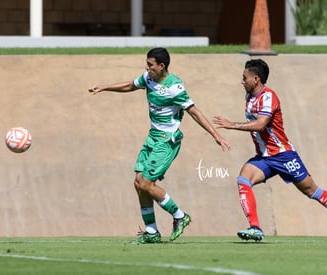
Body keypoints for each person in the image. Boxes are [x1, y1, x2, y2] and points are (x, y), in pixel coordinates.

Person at [88, 47, 231, 244]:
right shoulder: (149, 78)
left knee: (146, 183)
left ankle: (180, 216)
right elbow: (130, 85)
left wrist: (216, 135)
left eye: (150, 65)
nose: (146, 68)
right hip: (152, 137)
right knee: (139, 183)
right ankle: (152, 231)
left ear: (161, 66)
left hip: (167, 140)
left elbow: (195, 112)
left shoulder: (175, 87)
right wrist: (104, 87)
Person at [213, 59, 327, 241]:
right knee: (244, 179)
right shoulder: (249, 98)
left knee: (312, 191)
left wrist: (231, 125)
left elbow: (261, 124)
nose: (242, 81)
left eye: (245, 78)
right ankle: (255, 228)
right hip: (264, 158)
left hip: (283, 155)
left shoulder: (268, 96)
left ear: (256, 79)